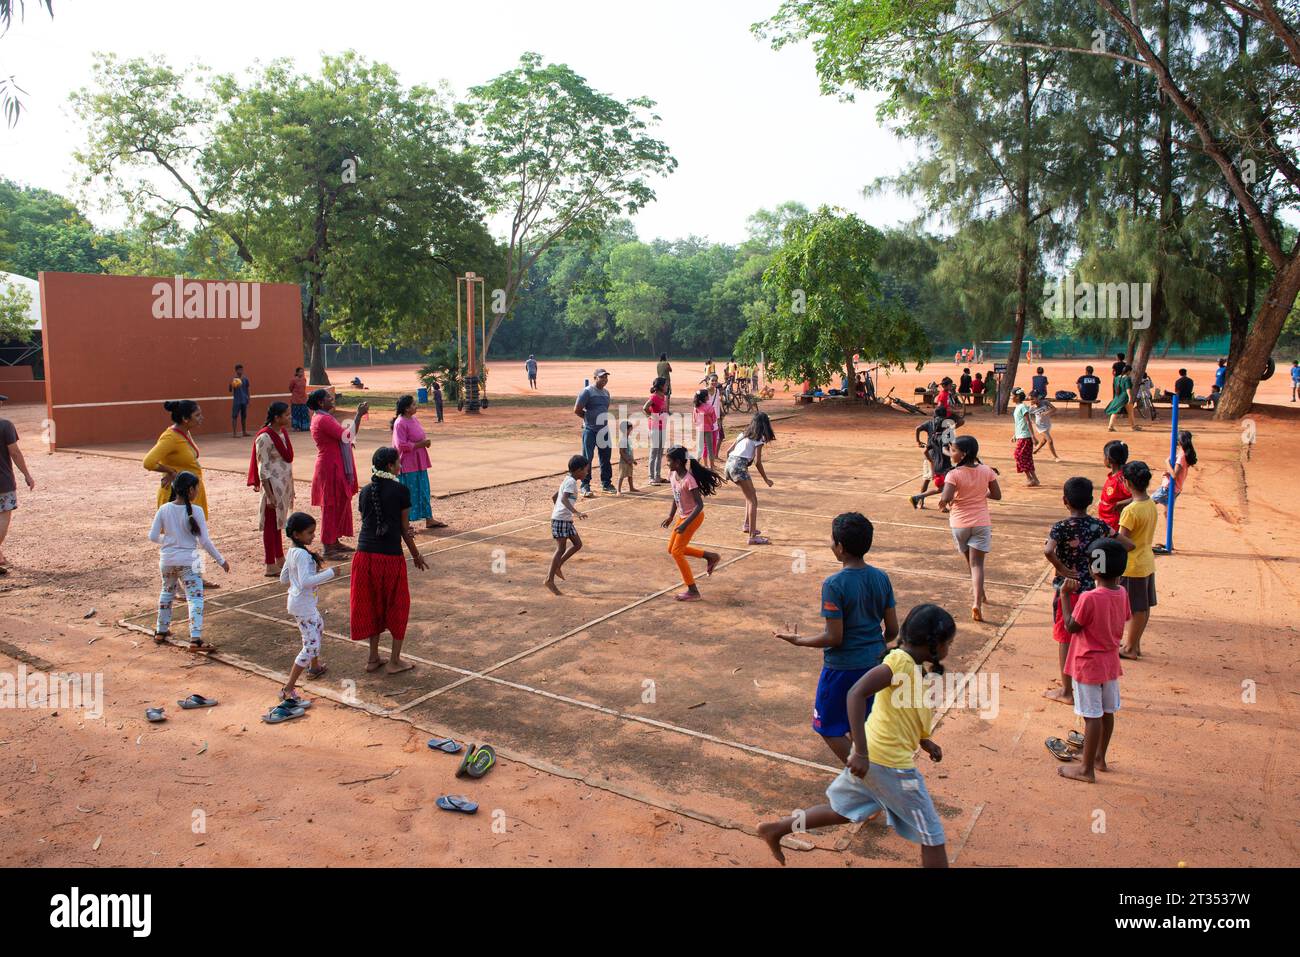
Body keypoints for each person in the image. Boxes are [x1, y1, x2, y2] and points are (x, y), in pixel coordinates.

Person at [758, 604, 954, 869]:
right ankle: (778, 829)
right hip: (889, 765)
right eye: (949, 644)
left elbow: (906, 712)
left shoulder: (913, 666)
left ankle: (777, 829)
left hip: (876, 759)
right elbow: (856, 693)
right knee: (932, 834)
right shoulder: (899, 662)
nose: (948, 650)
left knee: (840, 812)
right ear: (935, 643)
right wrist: (859, 752)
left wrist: (924, 740)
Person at [773, 512, 898, 761]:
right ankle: (876, 776)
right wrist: (873, 646)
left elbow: (834, 637)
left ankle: (867, 779)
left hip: (842, 669)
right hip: (875, 664)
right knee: (861, 724)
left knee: (827, 726)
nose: (830, 544)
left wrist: (799, 641)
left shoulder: (834, 584)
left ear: (840, 548)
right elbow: (893, 630)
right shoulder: (881, 577)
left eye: (832, 540)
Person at [1057, 539, 1130, 784]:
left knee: (1092, 716)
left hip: (1087, 664)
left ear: (1094, 568)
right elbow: (1124, 616)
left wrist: (1065, 595)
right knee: (1107, 712)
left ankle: (1086, 769)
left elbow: (1070, 625)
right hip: (1110, 663)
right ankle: (1099, 757)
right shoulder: (1122, 593)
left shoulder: (1089, 598)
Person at [351, 447, 428, 675]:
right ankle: (395, 660)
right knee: (397, 606)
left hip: (364, 557)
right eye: (398, 462)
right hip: (389, 559)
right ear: (390, 466)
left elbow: (370, 522)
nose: (400, 465)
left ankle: (373, 658)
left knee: (371, 606)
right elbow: (404, 530)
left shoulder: (365, 492)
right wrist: (416, 555)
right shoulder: (401, 490)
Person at [1042, 478, 1113, 706]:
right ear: (1091, 500)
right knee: (1090, 635)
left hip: (1069, 589)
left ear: (1065, 501)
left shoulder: (1061, 527)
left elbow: (1048, 550)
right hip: (1095, 588)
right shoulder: (1100, 526)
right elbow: (1125, 544)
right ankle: (1093, 680)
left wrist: (1061, 568)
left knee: (1065, 637)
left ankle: (1067, 690)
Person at [148, 471, 228, 654]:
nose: (198, 491)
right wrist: (221, 560)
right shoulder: (197, 511)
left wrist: (170, 540)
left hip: (167, 559)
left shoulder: (164, 509)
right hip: (191, 559)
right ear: (190, 489)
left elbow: (152, 537)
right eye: (197, 487)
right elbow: (204, 542)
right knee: (195, 598)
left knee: (166, 593)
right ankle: (195, 638)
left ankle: (161, 631)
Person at [939, 435, 1001, 622]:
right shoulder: (987, 470)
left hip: (960, 523)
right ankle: (977, 600)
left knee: (971, 563)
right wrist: (980, 493)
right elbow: (997, 495)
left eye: (954, 450)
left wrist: (943, 504)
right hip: (981, 522)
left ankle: (979, 593)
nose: (951, 453)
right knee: (977, 565)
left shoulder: (954, 474)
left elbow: (946, 497)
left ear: (963, 453)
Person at [279, 512, 334, 702]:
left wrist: (296, 578)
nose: (312, 536)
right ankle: (288, 688)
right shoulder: (301, 554)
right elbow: (305, 582)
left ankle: (315, 667)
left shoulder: (293, 551)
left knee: (318, 627)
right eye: (309, 533)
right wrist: (330, 573)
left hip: (303, 603)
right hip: (303, 605)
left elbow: (284, 578)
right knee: (310, 646)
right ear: (297, 534)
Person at [308, 389, 367, 559]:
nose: (331, 398)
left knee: (338, 502)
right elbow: (347, 436)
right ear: (320, 403)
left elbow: (343, 439)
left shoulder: (321, 417)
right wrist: (358, 414)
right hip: (330, 467)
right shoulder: (323, 419)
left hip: (334, 464)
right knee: (330, 505)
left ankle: (334, 541)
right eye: (327, 397)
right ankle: (328, 546)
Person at [661, 446, 722, 602]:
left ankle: (692, 590)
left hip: (693, 518)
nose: (667, 463)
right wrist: (670, 516)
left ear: (678, 462)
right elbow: (675, 497)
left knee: (676, 552)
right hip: (683, 517)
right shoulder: (673, 475)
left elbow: (699, 506)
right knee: (672, 549)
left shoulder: (689, 480)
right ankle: (710, 556)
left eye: (669, 461)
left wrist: (685, 523)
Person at [144, 401, 210, 531]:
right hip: (177, 495)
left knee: (191, 536)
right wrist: (171, 471)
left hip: (191, 492)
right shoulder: (170, 437)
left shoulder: (184, 432)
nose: (201, 418)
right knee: (178, 538)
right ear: (185, 419)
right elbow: (148, 462)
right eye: (197, 415)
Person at [1116, 461, 1157, 660]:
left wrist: (1108, 536)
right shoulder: (1149, 504)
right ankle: (1135, 644)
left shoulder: (1130, 511)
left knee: (1135, 608)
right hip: (1146, 561)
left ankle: (1130, 647)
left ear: (1127, 482)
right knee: (1143, 606)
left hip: (1132, 566)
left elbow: (1122, 540)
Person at [248, 402, 295, 578]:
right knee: (270, 525)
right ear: (277, 417)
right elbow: (263, 468)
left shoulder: (282, 433)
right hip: (273, 487)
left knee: (278, 524)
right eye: (286, 415)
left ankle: (279, 557)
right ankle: (269, 563)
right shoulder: (265, 438)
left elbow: (286, 462)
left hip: (283, 485)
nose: (289, 418)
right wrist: (269, 494)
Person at [392, 395, 446, 534]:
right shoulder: (400, 423)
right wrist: (420, 444)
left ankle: (429, 518)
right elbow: (401, 444)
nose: (416, 406)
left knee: (423, 489)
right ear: (406, 408)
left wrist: (424, 443)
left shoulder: (414, 419)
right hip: (408, 463)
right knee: (409, 492)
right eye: (413, 404)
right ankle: (406, 522)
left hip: (419, 460)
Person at [723, 411, 776, 546]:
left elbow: (728, 452)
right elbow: (758, 462)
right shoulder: (758, 439)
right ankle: (752, 537)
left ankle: (747, 525)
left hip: (730, 464)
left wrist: (729, 469)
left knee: (750, 495)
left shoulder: (742, 435)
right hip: (739, 467)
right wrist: (766, 479)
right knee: (753, 500)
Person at [0, 394, 36, 576]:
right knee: (3, 516)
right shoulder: (5, 425)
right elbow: (14, 452)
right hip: (3, 481)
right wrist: (27, 475)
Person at [545, 455, 589, 594]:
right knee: (561, 548)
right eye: (585, 470)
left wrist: (561, 512)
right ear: (578, 470)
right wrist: (575, 512)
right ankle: (549, 580)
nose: (587, 473)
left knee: (578, 544)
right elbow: (563, 499)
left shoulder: (568, 479)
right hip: (561, 520)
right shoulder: (570, 482)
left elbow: (555, 497)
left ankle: (558, 565)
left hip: (564, 519)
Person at [1152, 431, 1196, 551]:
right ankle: (1169, 543)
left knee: (1145, 504)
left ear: (1178, 442)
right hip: (1176, 488)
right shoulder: (1184, 454)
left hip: (1168, 488)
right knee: (1167, 514)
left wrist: (1166, 463)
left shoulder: (1181, 456)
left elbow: (1174, 475)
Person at [574, 369, 615, 497]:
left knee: (605, 457)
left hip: (603, 430)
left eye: (606, 377)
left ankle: (606, 483)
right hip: (590, 430)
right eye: (601, 377)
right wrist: (588, 420)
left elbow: (604, 409)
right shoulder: (587, 392)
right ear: (595, 378)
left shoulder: (606, 393)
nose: (604, 379)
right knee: (587, 458)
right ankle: (585, 485)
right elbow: (577, 409)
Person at [910, 409, 955, 510]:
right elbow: (947, 448)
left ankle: (920, 500)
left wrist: (918, 442)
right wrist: (953, 454)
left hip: (933, 461)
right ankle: (940, 504)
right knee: (946, 486)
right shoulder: (946, 433)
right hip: (943, 463)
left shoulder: (932, 434)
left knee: (934, 483)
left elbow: (925, 449)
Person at [1098, 441, 1133, 534]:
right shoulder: (1113, 476)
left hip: (1114, 526)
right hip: (1105, 522)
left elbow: (1135, 498)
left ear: (1109, 459)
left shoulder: (1121, 479)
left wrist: (1118, 504)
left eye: (1104, 456)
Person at [643, 378, 669, 485]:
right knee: (654, 452)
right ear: (661, 386)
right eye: (665, 385)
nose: (667, 387)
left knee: (660, 452)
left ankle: (657, 476)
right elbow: (645, 408)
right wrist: (651, 416)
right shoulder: (653, 397)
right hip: (654, 427)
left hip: (662, 427)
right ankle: (651, 477)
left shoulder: (664, 397)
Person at [1011, 388, 1040, 486]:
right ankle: (1035, 479)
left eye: (1012, 395)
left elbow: (1028, 421)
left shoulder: (1023, 407)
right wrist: (1015, 435)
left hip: (1025, 437)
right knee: (1026, 458)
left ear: (1017, 396)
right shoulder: (1018, 407)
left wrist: (1033, 437)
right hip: (1021, 436)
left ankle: (1030, 478)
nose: (1011, 397)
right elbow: (1019, 423)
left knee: (1018, 456)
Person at [1105, 364, 1137, 432]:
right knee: (1130, 412)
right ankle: (1133, 426)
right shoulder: (1127, 378)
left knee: (1115, 411)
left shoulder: (1116, 378)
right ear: (1128, 371)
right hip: (1125, 397)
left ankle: (1110, 426)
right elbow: (1128, 389)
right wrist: (1130, 397)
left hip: (1118, 396)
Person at [1030, 392, 1060, 462]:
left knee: (1044, 440)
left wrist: (1047, 412)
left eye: (1033, 399)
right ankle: (1055, 457)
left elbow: (1054, 409)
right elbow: (1027, 415)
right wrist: (1031, 420)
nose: (1032, 401)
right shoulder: (1032, 407)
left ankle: (1036, 450)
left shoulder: (1045, 402)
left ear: (1038, 398)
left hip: (1047, 424)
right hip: (1040, 426)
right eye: (1031, 399)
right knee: (1049, 440)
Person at [693, 389, 719, 467]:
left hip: (699, 429)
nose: (708, 396)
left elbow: (694, 420)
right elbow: (714, 419)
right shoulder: (710, 407)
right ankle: (712, 466)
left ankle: (695, 465)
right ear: (704, 397)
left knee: (700, 449)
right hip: (708, 430)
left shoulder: (696, 407)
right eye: (707, 395)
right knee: (710, 448)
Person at [228, 364, 251, 438]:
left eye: (241, 370)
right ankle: (234, 433)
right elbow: (230, 390)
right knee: (234, 416)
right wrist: (231, 385)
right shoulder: (234, 380)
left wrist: (248, 399)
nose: (240, 371)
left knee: (244, 416)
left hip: (244, 400)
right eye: (239, 370)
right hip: (237, 401)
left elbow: (247, 389)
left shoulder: (245, 379)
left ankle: (244, 432)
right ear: (236, 370)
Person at [617, 420, 638, 495]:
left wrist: (632, 460)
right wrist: (627, 460)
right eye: (630, 429)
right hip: (624, 461)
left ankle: (631, 487)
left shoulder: (628, 439)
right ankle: (618, 490)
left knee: (630, 474)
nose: (631, 431)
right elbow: (621, 452)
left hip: (629, 460)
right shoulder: (623, 440)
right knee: (621, 475)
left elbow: (629, 451)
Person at [289, 367, 311, 432]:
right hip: (295, 400)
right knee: (296, 414)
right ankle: (296, 427)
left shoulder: (304, 379)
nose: (302, 373)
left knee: (304, 413)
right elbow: (290, 388)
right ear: (297, 373)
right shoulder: (293, 380)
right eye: (300, 372)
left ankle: (305, 427)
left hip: (303, 399)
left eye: (303, 372)